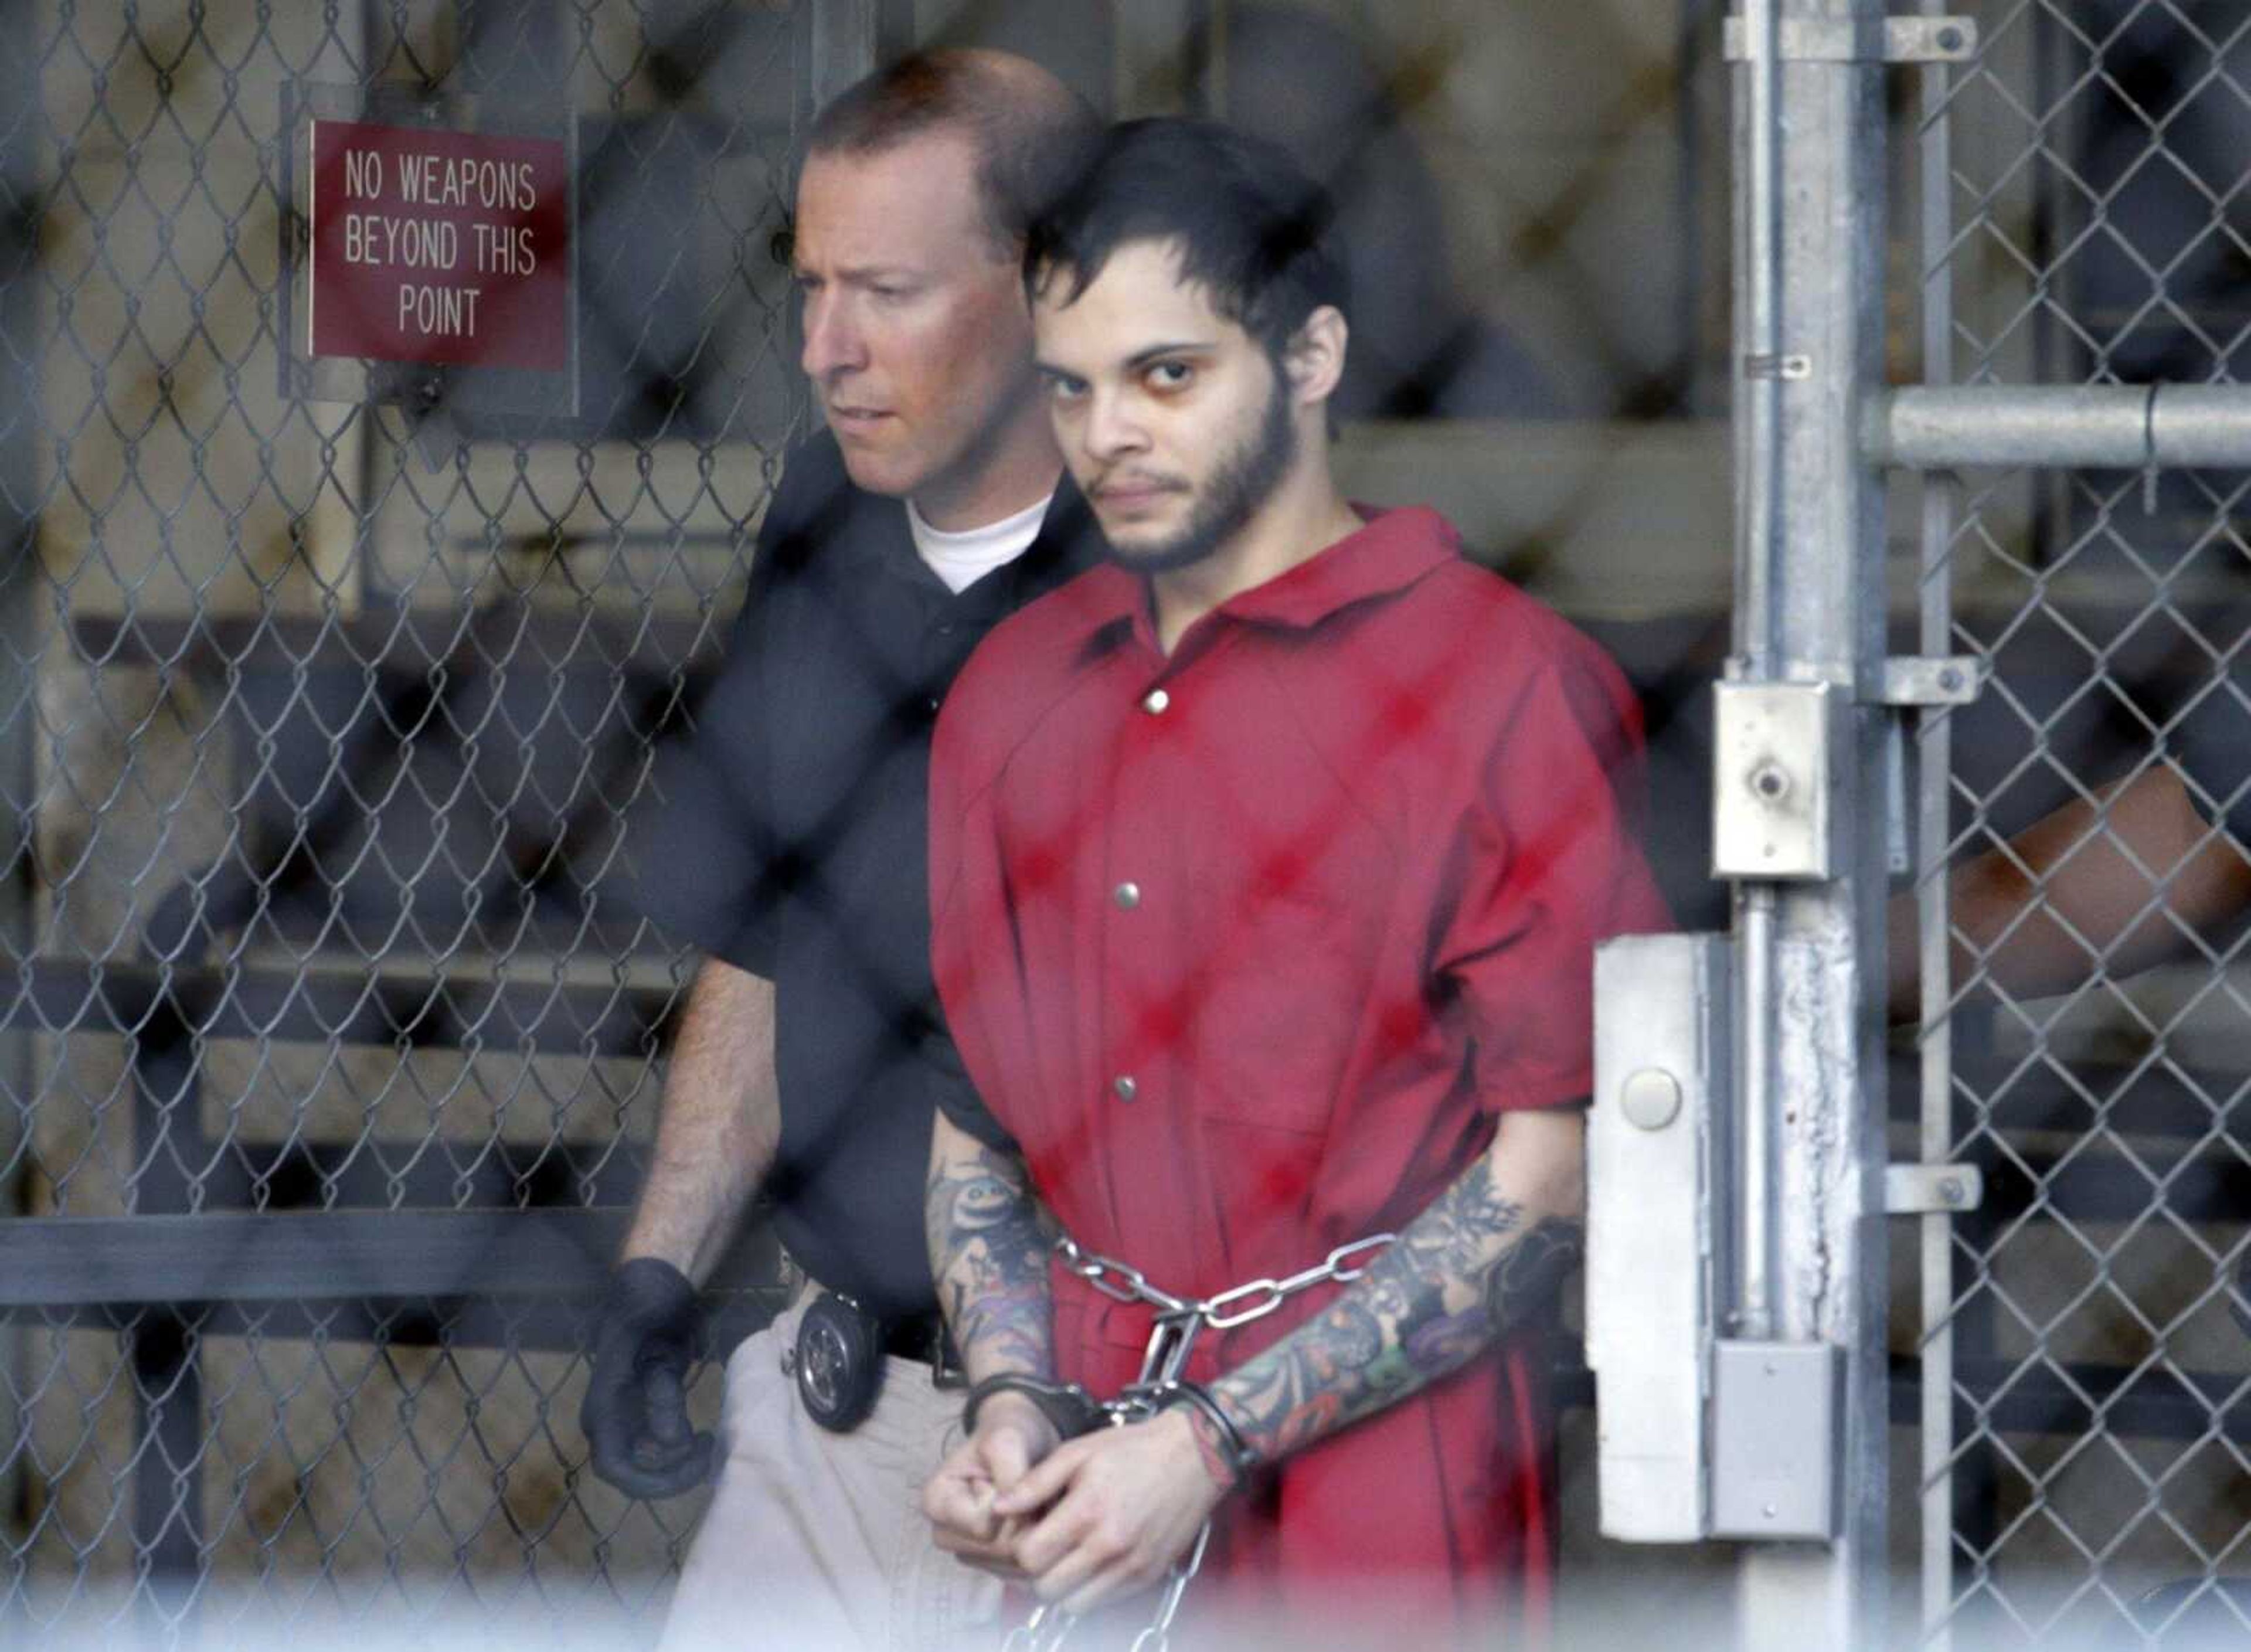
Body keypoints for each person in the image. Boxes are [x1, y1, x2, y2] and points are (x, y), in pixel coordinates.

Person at [917, 119, 1671, 1646]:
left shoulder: (1503, 684)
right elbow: (972, 1134)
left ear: (1312, 355)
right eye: (1071, 385)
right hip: (1080, 1492)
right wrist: (1008, 1407)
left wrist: (1207, 1441)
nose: (1107, 433)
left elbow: (1557, 1165)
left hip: (1388, 1507)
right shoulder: (1012, 691)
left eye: (1167, 374)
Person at [576, 50, 1100, 1652]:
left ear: (1041, 292)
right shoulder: (821, 514)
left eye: (886, 291)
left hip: (1103, 1435)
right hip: (833, 1395)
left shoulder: (1163, 559)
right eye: (809, 287)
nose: (825, 350)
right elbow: (760, 933)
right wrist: (660, 1273)